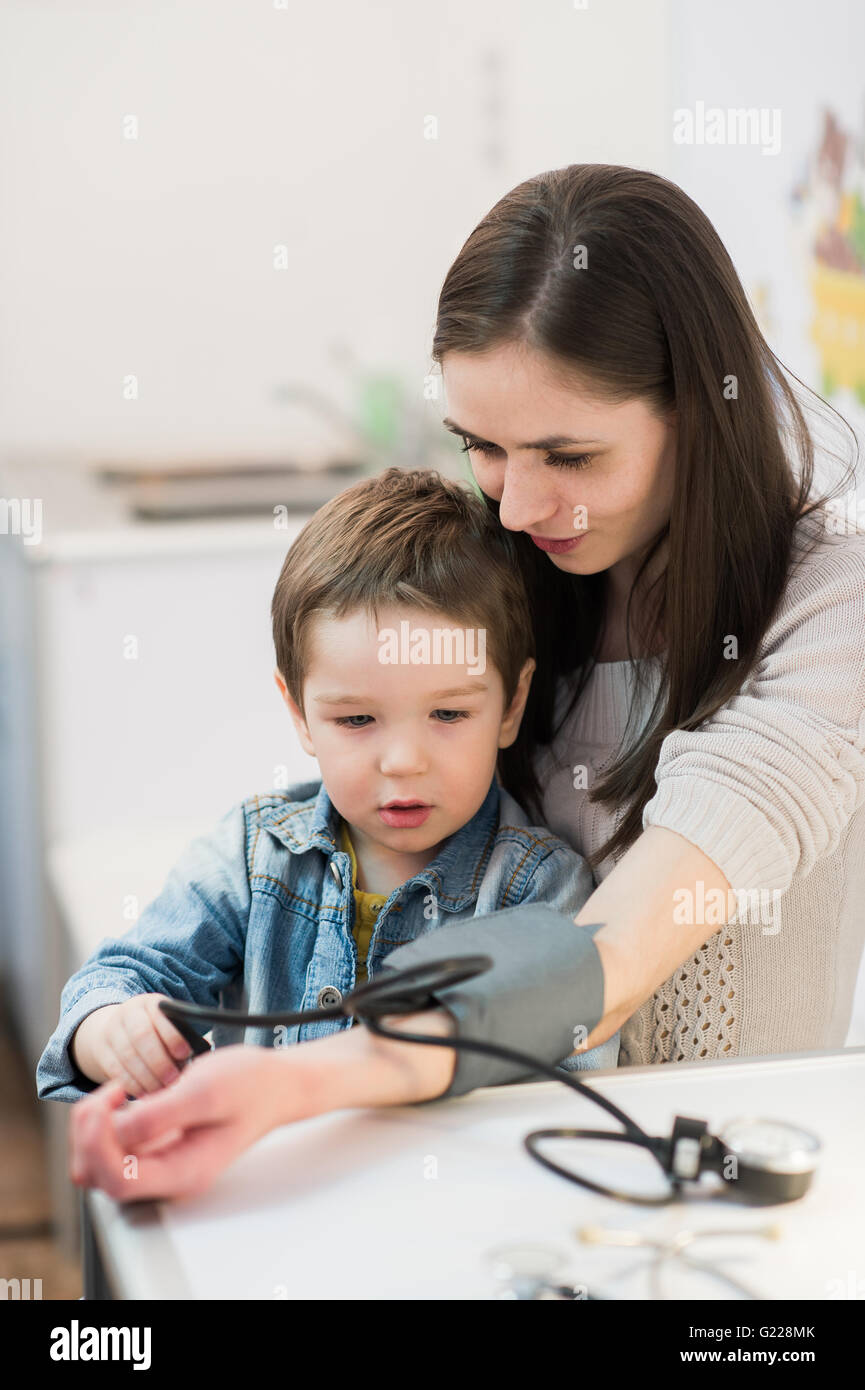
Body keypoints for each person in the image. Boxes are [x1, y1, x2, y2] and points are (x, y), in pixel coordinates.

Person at [56, 162, 865, 1202]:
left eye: (568, 453)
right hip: (495, 1147)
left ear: (700, 411)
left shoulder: (830, 598)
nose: (519, 504)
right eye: (483, 446)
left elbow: (607, 958)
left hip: (726, 1174)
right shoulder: (513, 568)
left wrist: (294, 1082)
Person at [36, 472, 618, 1125]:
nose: (402, 761)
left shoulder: (538, 888)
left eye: (448, 714)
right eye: (356, 721)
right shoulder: (253, 852)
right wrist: (110, 1031)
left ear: (511, 706)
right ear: (300, 715)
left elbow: (576, 1089)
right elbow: (119, 977)